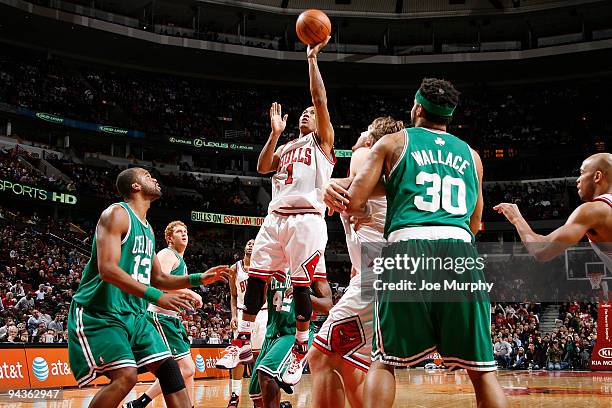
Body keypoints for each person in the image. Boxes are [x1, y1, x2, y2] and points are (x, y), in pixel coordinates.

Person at [344, 78, 508, 408]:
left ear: (417, 107)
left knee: (384, 360)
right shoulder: (472, 156)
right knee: (483, 371)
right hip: (459, 249)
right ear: (448, 115)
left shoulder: (392, 142)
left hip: (408, 248)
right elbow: (475, 223)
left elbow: (355, 201)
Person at [67, 167, 230, 408]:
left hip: (136, 315)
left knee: (171, 371)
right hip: (101, 312)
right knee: (126, 376)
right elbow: (108, 270)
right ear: (135, 186)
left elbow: (159, 278)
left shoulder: (148, 229)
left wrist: (199, 278)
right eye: (146, 176)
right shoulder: (116, 214)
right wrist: (157, 297)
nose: (153, 178)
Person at [238, 36, 335, 386]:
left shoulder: (322, 142)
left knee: (300, 286)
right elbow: (263, 166)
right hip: (276, 218)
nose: (309, 114)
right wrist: (274, 134)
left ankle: (299, 347)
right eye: (305, 114)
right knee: (257, 276)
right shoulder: (288, 146)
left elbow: (319, 99)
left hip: (307, 218)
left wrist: (311, 60)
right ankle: (242, 339)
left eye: (312, 114)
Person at [310, 117, 404, 408]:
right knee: (351, 369)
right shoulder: (391, 170)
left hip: (378, 276)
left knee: (321, 358)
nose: (359, 135)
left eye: (363, 130)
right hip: (389, 274)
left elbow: (355, 193)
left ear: (370, 138)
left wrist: (335, 183)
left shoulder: (367, 152)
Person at [494, 153, 612, 301]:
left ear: (597, 176)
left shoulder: (594, 210)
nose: (578, 179)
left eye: (582, 173)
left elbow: (541, 250)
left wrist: (517, 219)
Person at [124, 221, 203, 408]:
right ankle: (139, 402)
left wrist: (184, 297)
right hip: (161, 317)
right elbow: (159, 284)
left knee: (187, 372)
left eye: (185, 231)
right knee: (185, 368)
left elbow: (171, 288)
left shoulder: (179, 259)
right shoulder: (167, 254)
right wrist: (191, 292)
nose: (184, 234)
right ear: (169, 238)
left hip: (172, 319)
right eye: (178, 232)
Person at [249, 275, 332, 408]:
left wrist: (303, 294)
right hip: (271, 334)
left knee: (266, 373)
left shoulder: (313, 269)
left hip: (295, 334)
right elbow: (261, 301)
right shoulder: (274, 265)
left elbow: (327, 306)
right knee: (257, 395)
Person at [216, 239, 268, 408]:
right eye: (248, 242)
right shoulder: (234, 268)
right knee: (238, 357)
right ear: (244, 247)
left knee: (258, 357)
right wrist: (233, 316)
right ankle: (235, 395)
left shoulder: (263, 267)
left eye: (254, 243)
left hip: (262, 314)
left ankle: (257, 396)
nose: (251, 244)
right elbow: (232, 295)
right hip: (241, 312)